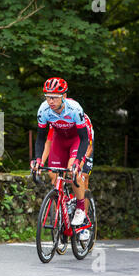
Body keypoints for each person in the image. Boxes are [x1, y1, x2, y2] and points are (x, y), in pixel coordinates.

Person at [30, 77, 90, 231]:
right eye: (48, 97)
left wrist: (78, 161)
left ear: (63, 96)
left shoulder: (74, 109)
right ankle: (62, 211)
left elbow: (84, 139)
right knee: (53, 174)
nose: (50, 101)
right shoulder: (43, 110)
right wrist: (37, 159)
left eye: (54, 97)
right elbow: (41, 138)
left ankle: (80, 208)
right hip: (59, 139)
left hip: (77, 138)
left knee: (73, 170)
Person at [40, 110, 94, 240]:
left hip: (83, 145)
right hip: (63, 144)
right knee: (54, 177)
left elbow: (88, 147)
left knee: (79, 176)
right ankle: (61, 217)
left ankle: (83, 222)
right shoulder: (55, 122)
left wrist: (78, 166)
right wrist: (41, 162)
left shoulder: (81, 120)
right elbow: (48, 142)